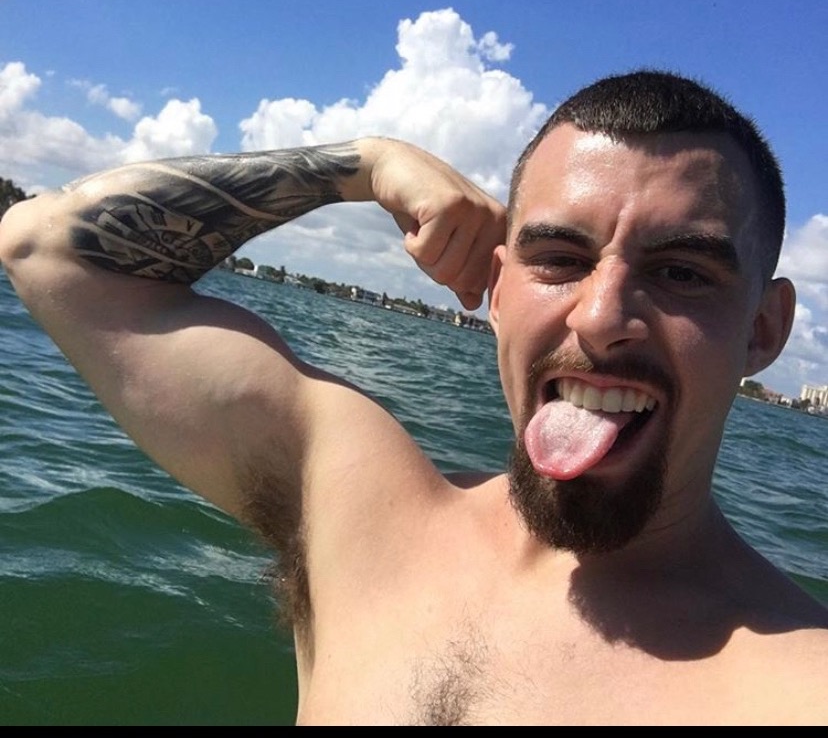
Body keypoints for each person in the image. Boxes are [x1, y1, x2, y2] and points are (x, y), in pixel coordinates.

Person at [1, 70, 826, 726]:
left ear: (763, 329)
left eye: (681, 272)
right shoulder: (355, 508)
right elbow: (45, 247)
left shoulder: (793, 683)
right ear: (497, 291)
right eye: (559, 258)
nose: (602, 318)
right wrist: (365, 165)